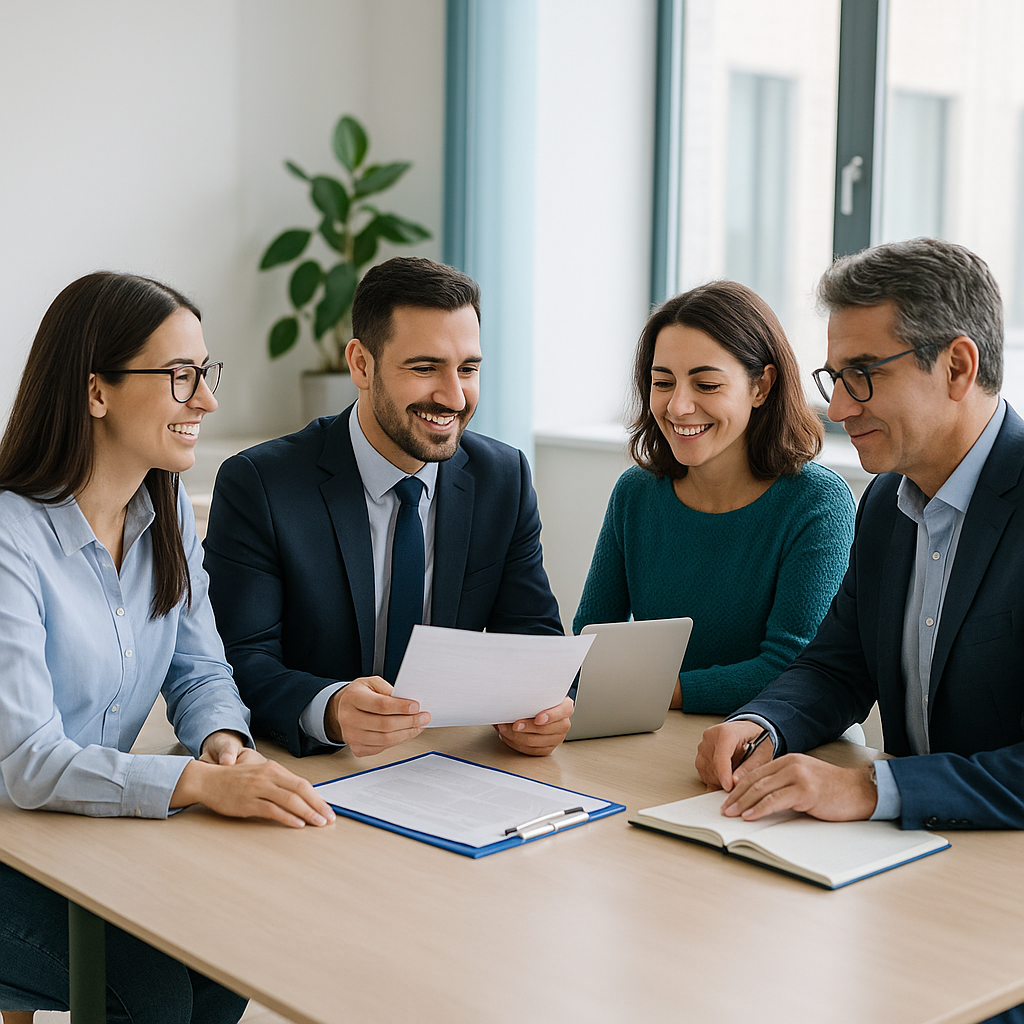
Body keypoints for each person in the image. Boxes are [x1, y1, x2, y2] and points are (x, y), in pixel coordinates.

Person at [696, 241, 1024, 1024]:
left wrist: (876, 786)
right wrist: (762, 722)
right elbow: (838, 663)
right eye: (833, 379)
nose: (838, 408)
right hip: (911, 878)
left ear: (957, 365)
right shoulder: (886, 503)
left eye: (862, 375)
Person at [0, 273, 336, 1024]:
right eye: (182, 377)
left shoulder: (168, 508)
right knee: (148, 993)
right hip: (11, 840)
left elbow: (200, 668)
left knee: (225, 957)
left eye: (205, 374)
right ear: (96, 392)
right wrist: (194, 784)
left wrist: (222, 743)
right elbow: (25, 763)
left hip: (80, 829)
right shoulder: (9, 540)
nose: (207, 402)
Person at [203, 256, 567, 760]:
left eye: (468, 369)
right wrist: (329, 709)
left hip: (453, 764)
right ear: (361, 364)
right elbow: (234, 659)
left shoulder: (503, 478)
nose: (454, 397)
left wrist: (544, 710)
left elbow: (532, 639)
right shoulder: (261, 484)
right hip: (317, 769)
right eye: (425, 368)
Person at [573, 281, 855, 714]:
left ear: (761, 387)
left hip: (776, 737)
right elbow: (591, 645)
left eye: (705, 385)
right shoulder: (635, 493)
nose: (678, 406)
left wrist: (648, 690)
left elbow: (791, 668)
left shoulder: (817, 502)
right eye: (663, 382)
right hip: (650, 730)